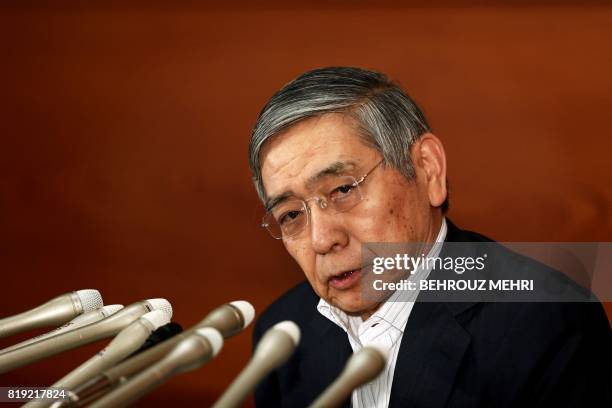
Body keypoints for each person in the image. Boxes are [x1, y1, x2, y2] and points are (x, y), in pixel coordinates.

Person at [248, 67, 611, 407]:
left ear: (427, 169)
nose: (322, 240)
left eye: (343, 189)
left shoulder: (544, 323)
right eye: (291, 215)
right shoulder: (282, 336)